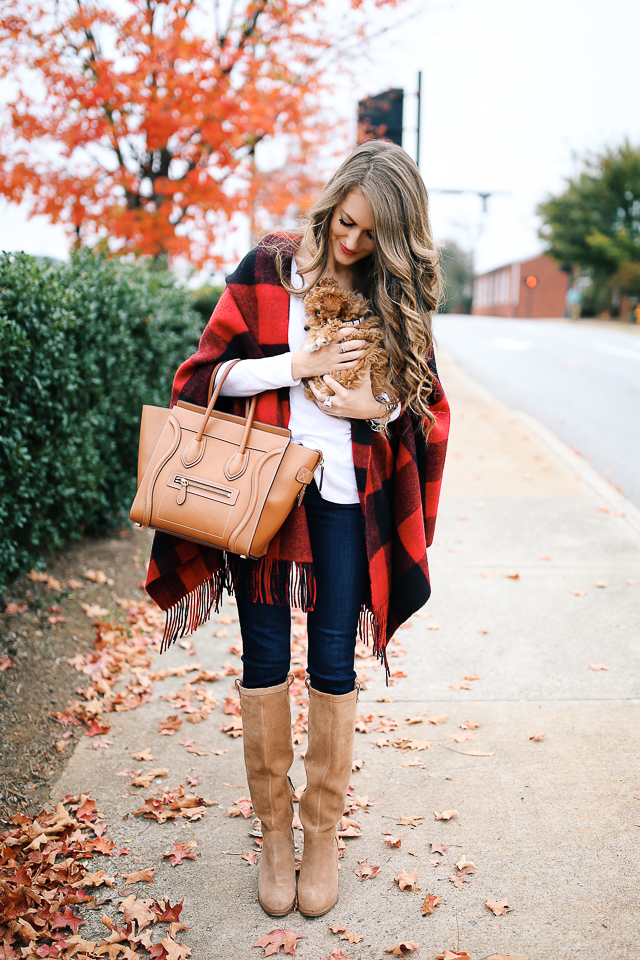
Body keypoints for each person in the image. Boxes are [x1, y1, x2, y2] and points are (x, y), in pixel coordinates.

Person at [145, 140, 450, 918]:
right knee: (265, 661)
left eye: (371, 236)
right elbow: (205, 377)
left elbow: (424, 409)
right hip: (264, 495)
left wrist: (369, 409)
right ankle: (274, 837)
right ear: (333, 202)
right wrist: (299, 362)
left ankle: (320, 836)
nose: (351, 244)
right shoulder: (269, 266)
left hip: (346, 501)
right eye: (347, 224)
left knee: (333, 669)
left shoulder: (388, 290)